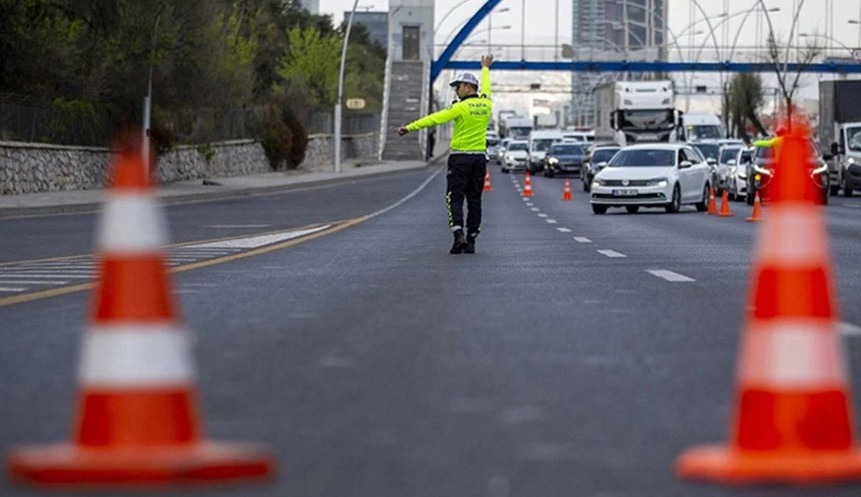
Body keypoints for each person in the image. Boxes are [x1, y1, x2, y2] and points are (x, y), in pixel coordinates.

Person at [397, 55, 493, 254]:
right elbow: (487, 87)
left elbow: (434, 119)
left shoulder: (459, 107)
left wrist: (409, 127)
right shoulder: (486, 104)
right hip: (479, 159)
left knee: (454, 198)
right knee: (475, 200)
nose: (456, 91)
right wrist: (485, 68)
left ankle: (458, 235)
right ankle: (472, 239)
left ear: (467, 87)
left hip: (460, 159)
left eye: (458, 87)